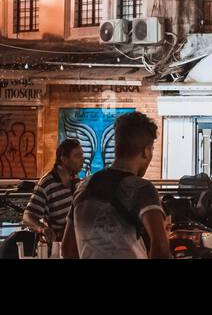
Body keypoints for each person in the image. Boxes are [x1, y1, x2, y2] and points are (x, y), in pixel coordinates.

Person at [62, 111, 169, 259]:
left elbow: (67, 249)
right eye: (151, 150)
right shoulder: (141, 188)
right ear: (145, 151)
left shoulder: (84, 187)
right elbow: (161, 246)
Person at [22, 138, 84, 245]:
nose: (82, 159)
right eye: (77, 156)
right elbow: (27, 216)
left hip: (76, 243)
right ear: (64, 159)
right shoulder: (47, 183)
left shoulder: (75, 179)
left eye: (82, 155)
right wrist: (43, 228)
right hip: (58, 245)